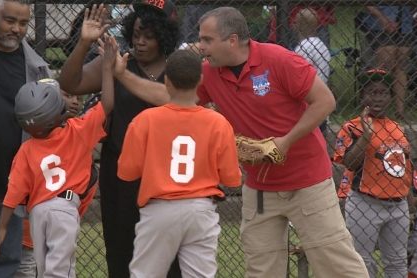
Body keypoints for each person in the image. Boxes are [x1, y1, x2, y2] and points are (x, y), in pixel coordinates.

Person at [108, 6, 369, 277]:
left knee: (336, 264)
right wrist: (123, 75)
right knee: (261, 269)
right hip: (259, 188)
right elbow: (170, 96)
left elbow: (325, 101)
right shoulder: (209, 72)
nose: (201, 46)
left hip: (307, 182)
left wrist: (286, 141)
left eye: (208, 40)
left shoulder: (278, 59)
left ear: (232, 40)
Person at [59, 2, 182, 277]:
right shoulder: (119, 60)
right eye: (136, 34)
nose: (139, 42)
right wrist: (83, 43)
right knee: (122, 252)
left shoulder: (178, 68)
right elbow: (70, 83)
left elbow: (178, 100)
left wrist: (120, 75)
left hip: (167, 175)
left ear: (163, 36)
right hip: (121, 175)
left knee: (170, 258)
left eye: (148, 36)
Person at [0, 34, 117, 278]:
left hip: (38, 212)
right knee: (61, 271)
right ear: (58, 111)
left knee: (45, 270)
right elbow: (108, 104)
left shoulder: (26, 149)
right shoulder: (77, 131)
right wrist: (107, 69)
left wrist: (2, 227)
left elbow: (13, 194)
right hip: (63, 208)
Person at [117, 49, 242, 277]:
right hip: (200, 209)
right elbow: (232, 178)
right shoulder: (218, 122)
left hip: (160, 208)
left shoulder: (145, 120)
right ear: (201, 80)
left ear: (166, 81)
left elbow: (127, 172)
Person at [0, 1, 52, 277]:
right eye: (9, 21)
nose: (16, 29)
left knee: (0, 266)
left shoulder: (36, 68)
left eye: (23, 24)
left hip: (4, 188)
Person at [333, 68, 413, 277]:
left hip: (398, 204)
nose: (377, 98)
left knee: (396, 261)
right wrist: (366, 137)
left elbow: (405, 166)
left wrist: (410, 200)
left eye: (383, 93)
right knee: (362, 260)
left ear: (390, 97)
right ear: (362, 96)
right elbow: (349, 163)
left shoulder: (397, 127)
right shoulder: (353, 126)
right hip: (365, 203)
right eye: (371, 92)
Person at [13, 86, 85, 278]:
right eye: (68, 95)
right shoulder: (38, 137)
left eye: (79, 97)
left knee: (41, 267)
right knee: (37, 267)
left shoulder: (76, 131)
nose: (75, 101)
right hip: (42, 215)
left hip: (43, 215)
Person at [361, 6, 413, 121]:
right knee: (387, 57)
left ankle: (400, 111)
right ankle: (377, 107)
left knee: (401, 62)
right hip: (378, 23)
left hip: (405, 23)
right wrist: (381, 16)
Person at [293, 8, 331, 137]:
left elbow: (299, 77)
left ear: (299, 24)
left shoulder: (304, 47)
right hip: (320, 98)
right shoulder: (321, 45)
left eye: (296, 22)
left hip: (308, 104)